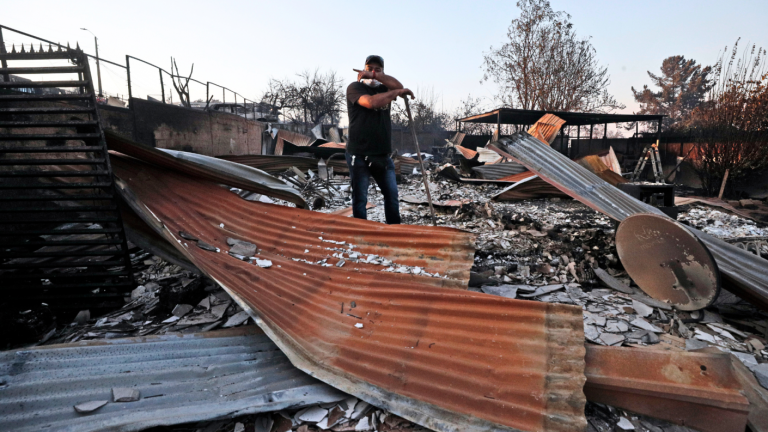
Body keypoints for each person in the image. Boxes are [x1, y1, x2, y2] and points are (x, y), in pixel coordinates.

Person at [345, 55, 414, 224]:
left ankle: (394, 231)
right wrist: (395, 92)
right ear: (362, 71)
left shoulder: (385, 89)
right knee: (360, 198)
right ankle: (362, 234)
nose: (373, 72)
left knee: (391, 195)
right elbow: (370, 103)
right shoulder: (354, 88)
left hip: (382, 155)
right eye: (369, 69)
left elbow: (399, 87)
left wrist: (376, 76)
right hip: (359, 154)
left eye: (378, 69)